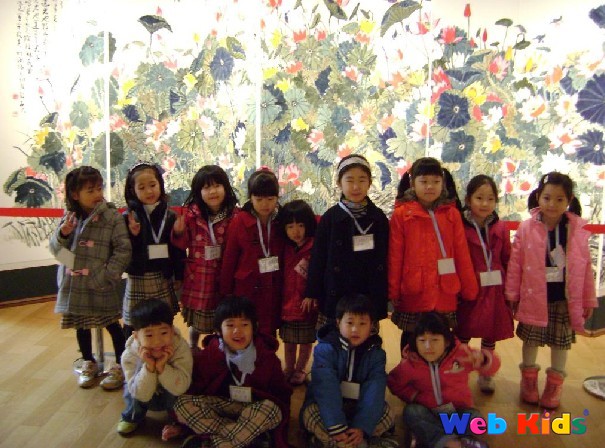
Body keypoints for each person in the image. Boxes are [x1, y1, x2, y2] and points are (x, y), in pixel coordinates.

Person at [505, 172, 597, 409]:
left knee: (560, 343)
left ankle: (554, 385)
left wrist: (588, 299)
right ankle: (528, 381)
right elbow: (515, 264)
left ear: (569, 200)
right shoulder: (526, 228)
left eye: (559, 199)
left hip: (564, 299)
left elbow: (585, 267)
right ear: (538, 197)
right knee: (531, 340)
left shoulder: (576, 229)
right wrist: (512, 295)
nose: (552, 204)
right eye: (547, 198)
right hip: (534, 296)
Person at [48, 166, 131, 390]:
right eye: (90, 190)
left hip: (100, 283)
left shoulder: (111, 216)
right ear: (75, 194)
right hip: (74, 283)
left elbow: (123, 249)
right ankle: (88, 361)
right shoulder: (70, 216)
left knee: (112, 323)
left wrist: (107, 275)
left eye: (99, 188)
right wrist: (63, 234)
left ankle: (120, 365)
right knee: (81, 324)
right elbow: (55, 249)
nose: (97, 194)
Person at [174, 296, 293, 448]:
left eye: (244, 324)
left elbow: (281, 396)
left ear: (254, 327)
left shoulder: (267, 357)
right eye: (230, 325)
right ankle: (246, 438)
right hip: (221, 407)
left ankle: (211, 442)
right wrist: (181, 426)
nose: (237, 331)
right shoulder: (210, 354)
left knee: (271, 410)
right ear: (218, 330)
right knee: (181, 403)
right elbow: (195, 389)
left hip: (253, 409)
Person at [389, 157, 478, 351]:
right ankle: (409, 369)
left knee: (441, 337)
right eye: (424, 181)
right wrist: (393, 290)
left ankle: (439, 370)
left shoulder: (452, 214)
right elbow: (395, 256)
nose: (430, 186)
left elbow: (461, 253)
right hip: (414, 289)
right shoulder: (402, 215)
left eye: (436, 181)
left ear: (443, 183)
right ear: (413, 184)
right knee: (411, 337)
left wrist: (469, 287)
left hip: (444, 289)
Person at [387, 312, 499, 448]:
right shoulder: (410, 363)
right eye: (422, 341)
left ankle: (445, 439)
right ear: (415, 342)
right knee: (412, 412)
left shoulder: (462, 355)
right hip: (428, 413)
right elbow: (394, 382)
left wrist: (483, 359)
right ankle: (449, 441)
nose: (428, 346)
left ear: (447, 342)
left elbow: (494, 366)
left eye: (434, 340)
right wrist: (414, 395)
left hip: (458, 412)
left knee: (475, 417)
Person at [305, 154, 389, 330]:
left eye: (362, 180)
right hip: (337, 290)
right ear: (339, 183)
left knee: (366, 339)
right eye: (350, 180)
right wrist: (312, 291)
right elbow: (318, 257)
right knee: (332, 339)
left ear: (369, 183)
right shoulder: (330, 218)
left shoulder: (378, 218)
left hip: (367, 291)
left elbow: (386, 257)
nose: (356, 187)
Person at [301, 294, 396, 448]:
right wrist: (336, 425)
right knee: (310, 413)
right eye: (350, 322)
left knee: (387, 413)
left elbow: (375, 389)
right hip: (329, 412)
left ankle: (336, 443)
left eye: (362, 323)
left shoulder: (377, 354)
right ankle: (360, 443)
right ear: (338, 322)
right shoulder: (325, 349)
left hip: (359, 408)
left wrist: (362, 426)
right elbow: (326, 387)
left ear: (371, 325)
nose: (355, 329)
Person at [455, 175, 513, 394]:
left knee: (491, 332)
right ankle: (459, 371)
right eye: (479, 198)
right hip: (469, 286)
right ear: (468, 199)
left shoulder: (501, 227)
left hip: (495, 289)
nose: (485, 203)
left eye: (490, 199)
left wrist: (510, 289)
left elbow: (507, 258)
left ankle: (486, 372)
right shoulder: (460, 226)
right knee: (463, 331)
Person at [172, 165, 239, 349]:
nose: (213, 191)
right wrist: (178, 232)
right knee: (197, 322)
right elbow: (182, 245)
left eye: (217, 185)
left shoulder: (235, 215)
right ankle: (193, 347)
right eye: (207, 187)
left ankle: (221, 349)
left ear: (226, 187)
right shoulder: (191, 215)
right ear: (198, 191)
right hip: (199, 277)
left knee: (222, 318)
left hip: (223, 276)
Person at [122, 162, 185, 339]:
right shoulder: (129, 217)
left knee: (163, 319)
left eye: (152, 185)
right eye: (142, 188)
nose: (149, 191)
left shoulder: (170, 215)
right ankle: (129, 353)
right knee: (133, 321)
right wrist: (133, 235)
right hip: (138, 276)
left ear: (160, 185)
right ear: (133, 190)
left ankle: (165, 349)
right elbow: (123, 249)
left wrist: (179, 275)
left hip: (162, 276)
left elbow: (177, 249)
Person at [220, 167, 285, 336]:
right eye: (259, 199)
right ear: (250, 197)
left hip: (274, 286)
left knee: (269, 331)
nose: (265, 204)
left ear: (277, 198)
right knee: (246, 329)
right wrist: (226, 293)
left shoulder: (281, 220)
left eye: (270, 199)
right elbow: (229, 260)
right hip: (247, 287)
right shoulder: (239, 221)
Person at [116, 298, 193, 437]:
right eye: (149, 335)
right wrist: (149, 368)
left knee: (185, 390)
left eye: (163, 333)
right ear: (136, 336)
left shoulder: (180, 348)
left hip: (172, 394)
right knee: (130, 388)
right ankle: (132, 417)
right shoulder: (130, 355)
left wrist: (163, 368)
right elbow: (140, 394)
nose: (157, 341)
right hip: (143, 394)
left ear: (172, 331)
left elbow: (181, 387)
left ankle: (177, 421)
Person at [279, 199, 318, 386]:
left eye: (301, 225)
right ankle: (289, 368)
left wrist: (313, 294)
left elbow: (319, 274)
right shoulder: (283, 248)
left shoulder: (315, 247)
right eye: (290, 226)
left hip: (307, 304)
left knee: (305, 341)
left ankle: (301, 369)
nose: (296, 231)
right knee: (289, 341)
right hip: (287, 303)